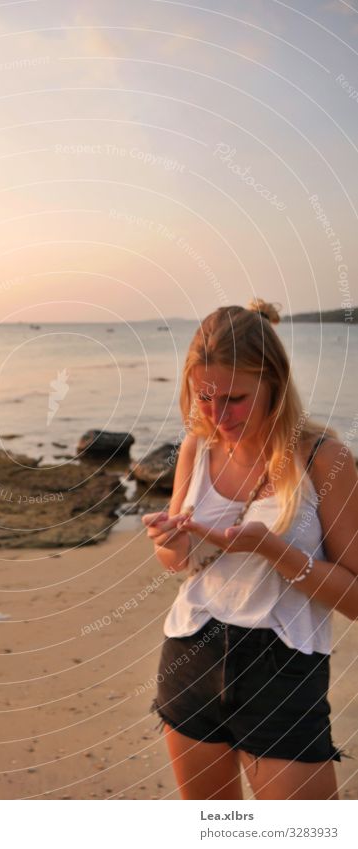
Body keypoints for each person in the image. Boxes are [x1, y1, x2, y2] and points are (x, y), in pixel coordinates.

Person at [142, 299, 358, 800]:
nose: (218, 416)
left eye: (236, 398)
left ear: (274, 383)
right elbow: (181, 563)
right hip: (189, 655)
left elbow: (355, 598)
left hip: (283, 672)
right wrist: (169, 544)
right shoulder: (197, 448)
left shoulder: (325, 460)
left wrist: (274, 551)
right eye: (205, 398)